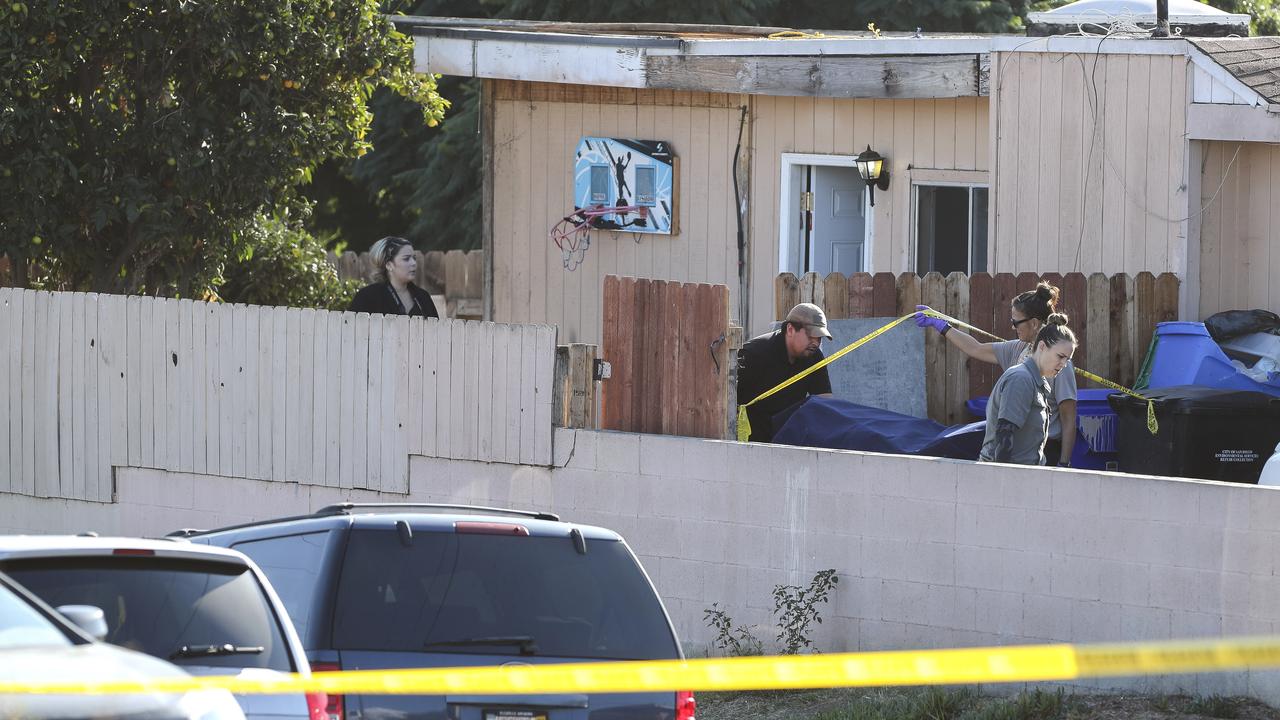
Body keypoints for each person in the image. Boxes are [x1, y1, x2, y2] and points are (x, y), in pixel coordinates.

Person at [915, 283, 1078, 466]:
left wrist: (1064, 463)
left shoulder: (1059, 364)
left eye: (1015, 322)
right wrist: (941, 325)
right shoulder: (1020, 360)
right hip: (1017, 453)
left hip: (1041, 449)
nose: (1012, 327)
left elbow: (1068, 417)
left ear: (1033, 323)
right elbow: (975, 348)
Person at [979, 314, 1078, 465]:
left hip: (1027, 476)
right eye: (1060, 356)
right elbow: (1004, 435)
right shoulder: (1021, 379)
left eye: (1067, 360)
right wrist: (1002, 482)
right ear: (1042, 346)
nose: (1063, 364)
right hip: (1010, 477)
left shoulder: (1037, 381)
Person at [737, 303, 834, 443]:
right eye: (811, 335)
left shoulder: (814, 357)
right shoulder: (754, 354)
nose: (816, 342)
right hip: (751, 443)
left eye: (819, 338)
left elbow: (825, 402)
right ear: (790, 329)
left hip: (789, 442)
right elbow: (728, 402)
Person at [349, 236, 440, 319]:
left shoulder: (423, 297)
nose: (413, 263)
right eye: (406, 259)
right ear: (389, 265)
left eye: (414, 258)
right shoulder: (368, 296)